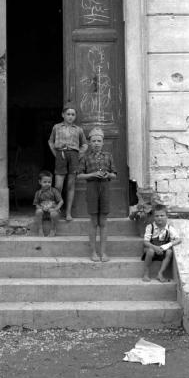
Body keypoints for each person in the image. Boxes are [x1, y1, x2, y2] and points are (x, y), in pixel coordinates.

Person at [77, 127, 117, 262]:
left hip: (105, 187)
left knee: (103, 221)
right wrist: (93, 174)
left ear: (103, 142)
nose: (96, 143)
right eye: (93, 141)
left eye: (99, 141)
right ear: (90, 142)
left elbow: (114, 174)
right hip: (91, 187)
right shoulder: (85, 157)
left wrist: (108, 174)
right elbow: (79, 175)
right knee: (94, 221)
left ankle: (103, 252)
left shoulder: (108, 156)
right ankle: (93, 252)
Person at [48, 103, 87, 221]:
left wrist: (78, 155)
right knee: (58, 185)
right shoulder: (56, 127)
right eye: (68, 114)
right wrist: (56, 154)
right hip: (61, 154)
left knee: (70, 185)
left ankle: (68, 212)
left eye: (73, 114)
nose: (70, 116)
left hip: (74, 155)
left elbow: (85, 144)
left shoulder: (78, 130)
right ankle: (56, 210)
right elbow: (50, 141)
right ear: (63, 115)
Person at [142, 204, 181, 283]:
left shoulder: (169, 228)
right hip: (151, 249)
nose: (159, 218)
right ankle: (146, 273)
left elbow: (178, 239)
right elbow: (145, 242)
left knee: (169, 252)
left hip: (162, 250)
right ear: (153, 217)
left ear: (167, 216)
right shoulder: (150, 227)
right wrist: (154, 247)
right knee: (150, 251)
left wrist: (167, 246)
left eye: (162, 215)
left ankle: (160, 273)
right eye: (157, 216)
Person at [33, 170, 63, 236]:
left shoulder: (54, 191)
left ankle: (53, 229)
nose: (47, 184)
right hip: (44, 213)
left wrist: (55, 209)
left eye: (49, 182)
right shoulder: (38, 193)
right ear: (40, 182)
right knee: (38, 212)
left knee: (53, 214)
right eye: (45, 182)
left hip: (52, 212)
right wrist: (41, 208)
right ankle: (40, 229)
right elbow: (36, 204)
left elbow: (61, 201)